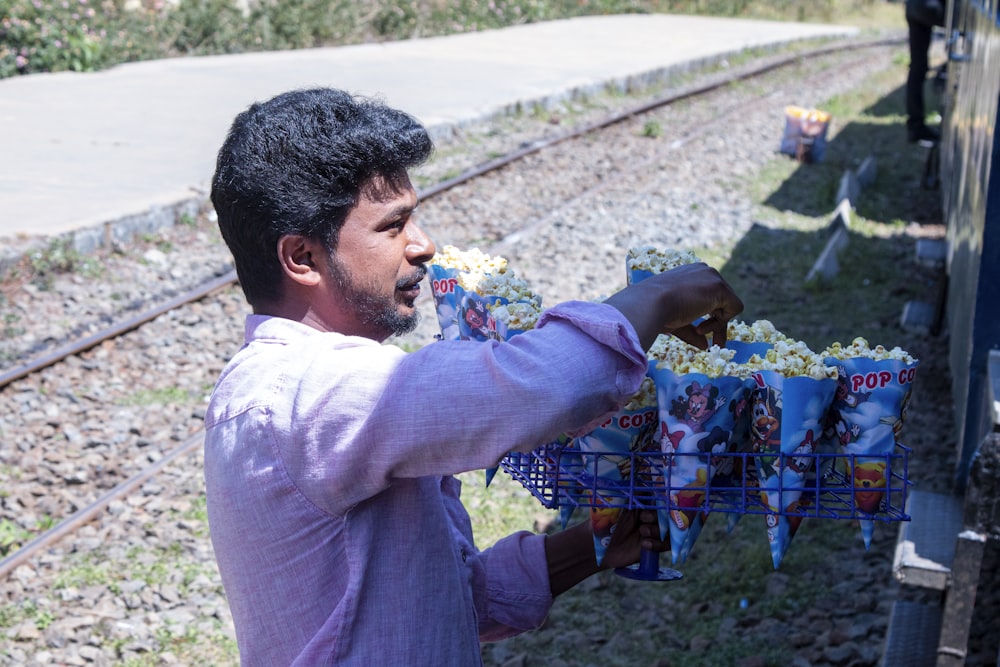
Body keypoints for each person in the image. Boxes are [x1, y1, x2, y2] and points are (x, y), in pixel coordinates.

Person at [205, 87, 744, 666]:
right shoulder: (309, 390)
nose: (423, 245)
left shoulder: (305, 388)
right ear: (301, 258)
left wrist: (594, 545)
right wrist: (657, 298)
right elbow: (540, 389)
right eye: (394, 226)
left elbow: (448, 603)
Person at [905, 0, 945, 143]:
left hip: (912, 6)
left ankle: (915, 127)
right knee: (967, 20)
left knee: (917, 68)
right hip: (930, 5)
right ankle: (945, 71)